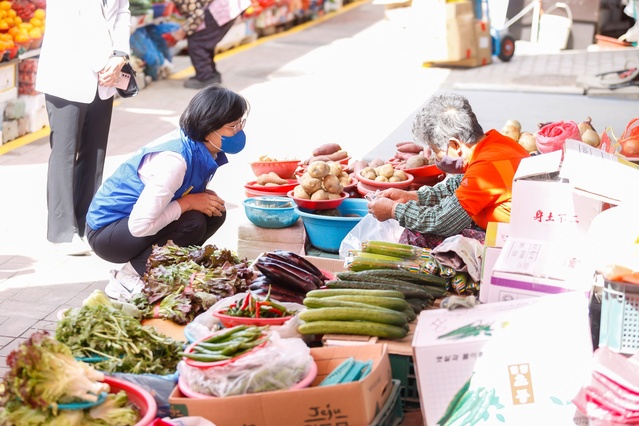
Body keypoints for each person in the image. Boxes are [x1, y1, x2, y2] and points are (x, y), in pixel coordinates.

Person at [85, 84, 249, 299]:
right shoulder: (174, 160)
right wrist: (189, 202)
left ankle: (162, 271)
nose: (239, 131)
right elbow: (139, 226)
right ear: (210, 127)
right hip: (109, 234)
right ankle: (126, 278)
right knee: (193, 221)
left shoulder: (204, 147)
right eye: (233, 126)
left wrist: (198, 198)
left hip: (131, 225)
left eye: (240, 124)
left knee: (214, 212)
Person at [367, 92, 530, 246]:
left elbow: (442, 221)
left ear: (455, 145)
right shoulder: (496, 144)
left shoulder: (486, 167)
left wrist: (394, 210)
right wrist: (411, 196)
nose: (434, 157)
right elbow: (456, 187)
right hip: (518, 228)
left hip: (514, 241)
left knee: (419, 234)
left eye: (436, 151)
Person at [35, 0, 132, 256]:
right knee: (65, 153)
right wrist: (108, 64)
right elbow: (76, 23)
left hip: (106, 76)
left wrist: (120, 54)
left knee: (95, 152)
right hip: (68, 71)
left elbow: (123, 11)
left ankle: (86, 225)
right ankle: (62, 233)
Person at [172, 0, 250, 89]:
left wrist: (183, 30)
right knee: (204, 39)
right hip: (228, 5)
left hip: (223, 7)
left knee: (198, 41)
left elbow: (197, 15)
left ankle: (206, 77)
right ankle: (211, 73)